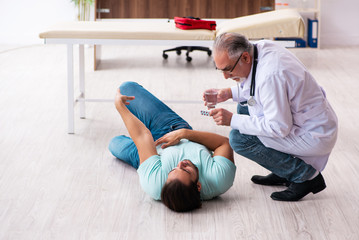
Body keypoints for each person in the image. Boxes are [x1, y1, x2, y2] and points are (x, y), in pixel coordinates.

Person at [204, 32, 338, 201]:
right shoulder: (260, 48)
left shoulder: (270, 76)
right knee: (245, 107)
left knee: (239, 139)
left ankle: (305, 177)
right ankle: (283, 170)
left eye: (228, 69)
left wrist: (232, 120)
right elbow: (255, 87)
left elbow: (279, 127)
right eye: (220, 69)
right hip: (312, 119)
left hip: (313, 134)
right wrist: (228, 93)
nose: (225, 76)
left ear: (245, 57)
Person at [109, 81, 236, 212]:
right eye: (186, 170)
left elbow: (142, 135)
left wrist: (120, 107)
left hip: (153, 154)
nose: (180, 163)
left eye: (173, 169)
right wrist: (184, 133)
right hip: (174, 129)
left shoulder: (155, 184)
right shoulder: (219, 179)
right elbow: (224, 143)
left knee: (113, 144)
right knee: (127, 88)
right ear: (198, 186)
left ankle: (139, 152)